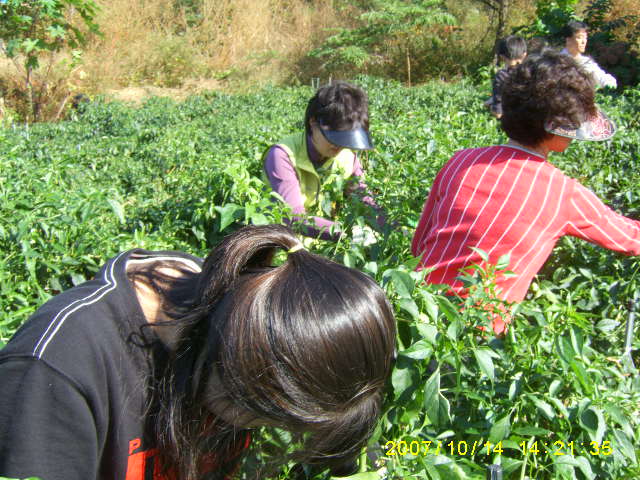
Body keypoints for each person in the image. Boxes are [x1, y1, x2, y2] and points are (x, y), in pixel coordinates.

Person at [0, 224, 397, 480]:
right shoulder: (56, 371)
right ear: (243, 371)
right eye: (263, 417)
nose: (259, 429)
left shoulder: (232, 298)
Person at [411, 50, 638, 334]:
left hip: (414, 311)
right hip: (474, 335)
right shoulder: (561, 192)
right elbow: (631, 238)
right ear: (557, 127)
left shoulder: (460, 160)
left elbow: (419, 246)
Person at [263, 81, 380, 241]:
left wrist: (394, 228)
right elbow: (293, 217)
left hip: (326, 245)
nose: (339, 146)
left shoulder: (347, 158)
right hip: (286, 246)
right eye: (335, 137)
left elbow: (365, 201)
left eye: (345, 139)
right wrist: (345, 234)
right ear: (313, 123)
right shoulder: (282, 155)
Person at [561, 20, 617, 89]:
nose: (583, 41)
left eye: (585, 38)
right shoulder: (558, 61)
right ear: (568, 40)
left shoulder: (586, 62)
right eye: (579, 37)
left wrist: (608, 84)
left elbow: (602, 77)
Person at [486, 35, 527, 119]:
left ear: (502, 57)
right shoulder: (535, 71)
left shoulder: (502, 76)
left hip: (514, 121)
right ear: (524, 54)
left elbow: (498, 113)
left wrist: (489, 106)